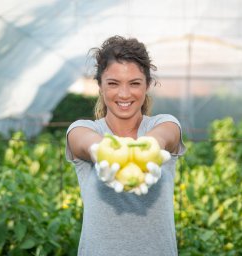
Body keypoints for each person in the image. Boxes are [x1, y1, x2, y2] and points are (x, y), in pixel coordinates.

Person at [66, 35, 185, 256]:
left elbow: (164, 136)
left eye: (134, 83)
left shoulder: (165, 124)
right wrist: (103, 153)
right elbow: (84, 141)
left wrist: (148, 149)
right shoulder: (83, 129)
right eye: (113, 83)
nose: (124, 94)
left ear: (148, 85)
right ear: (100, 85)